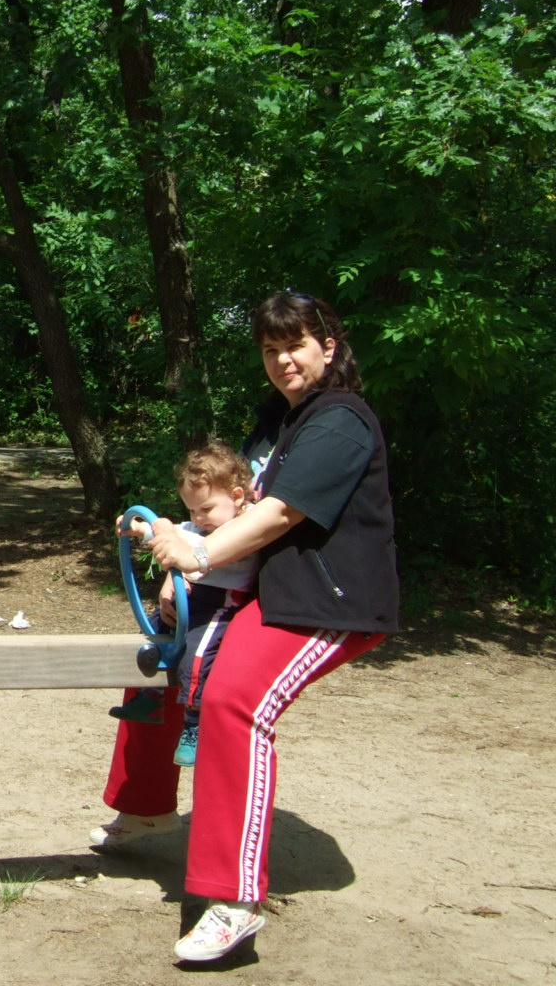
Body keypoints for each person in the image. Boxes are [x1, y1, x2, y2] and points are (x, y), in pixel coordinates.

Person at [90, 292, 398, 963]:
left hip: (326, 601)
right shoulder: (277, 421)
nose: (284, 359)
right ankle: (145, 804)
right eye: (270, 349)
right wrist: (183, 565)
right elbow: (235, 509)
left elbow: (282, 514)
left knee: (233, 700)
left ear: (329, 346)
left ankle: (234, 900)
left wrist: (197, 558)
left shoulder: (340, 420)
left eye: (297, 344)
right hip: (264, 588)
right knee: (163, 661)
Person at [115, 444, 259, 769]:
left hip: (221, 603)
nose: (198, 518)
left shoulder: (244, 526)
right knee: (153, 635)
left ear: (236, 496)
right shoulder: (200, 524)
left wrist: (166, 530)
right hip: (193, 596)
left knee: (196, 657)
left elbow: (195, 545)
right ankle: (150, 697)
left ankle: (193, 726)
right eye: (193, 510)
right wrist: (138, 527)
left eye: (205, 508)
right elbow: (179, 533)